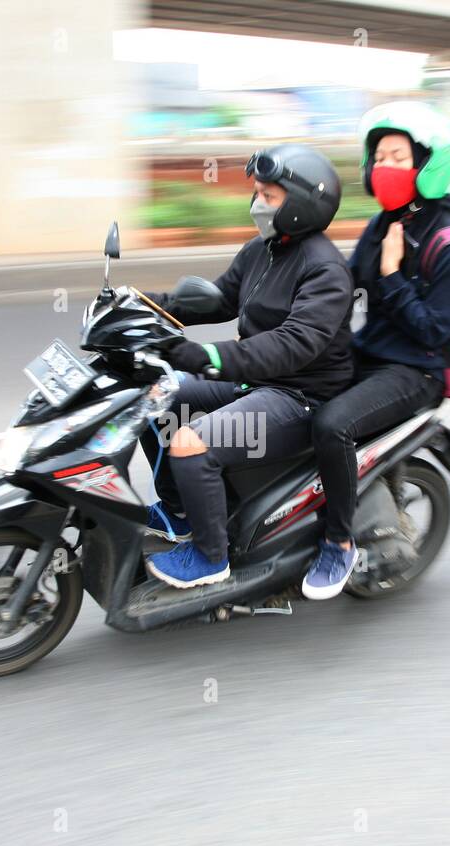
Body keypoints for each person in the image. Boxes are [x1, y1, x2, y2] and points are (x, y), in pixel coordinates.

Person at [300, 101, 450, 600]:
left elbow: (436, 330)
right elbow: (341, 286)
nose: (384, 167)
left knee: (332, 425)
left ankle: (339, 542)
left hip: (416, 371)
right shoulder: (384, 224)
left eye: (398, 156)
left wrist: (393, 276)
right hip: (369, 356)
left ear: (428, 163)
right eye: (380, 157)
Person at [139, 144, 354, 588]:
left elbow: (291, 345)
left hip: (298, 396)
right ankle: (180, 511)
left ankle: (210, 556)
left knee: (189, 443)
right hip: (255, 381)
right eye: (257, 193)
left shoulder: (326, 270)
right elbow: (216, 299)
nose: (257, 204)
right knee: (152, 394)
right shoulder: (263, 250)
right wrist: (142, 307)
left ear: (300, 205)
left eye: (269, 196)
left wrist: (209, 357)